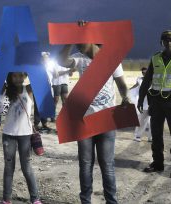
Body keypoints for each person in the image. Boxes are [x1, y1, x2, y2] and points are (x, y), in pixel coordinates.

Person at [57, 20, 130, 204]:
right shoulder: (79, 58)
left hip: (106, 119)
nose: (79, 44)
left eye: (81, 40)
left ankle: (111, 201)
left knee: (107, 166)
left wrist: (126, 97)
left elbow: (122, 85)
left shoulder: (111, 57)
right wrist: (70, 39)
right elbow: (61, 60)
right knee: (85, 165)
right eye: (77, 42)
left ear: (92, 38)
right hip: (85, 120)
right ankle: (85, 201)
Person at [138, 30, 171, 178]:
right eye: (165, 40)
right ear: (161, 42)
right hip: (156, 102)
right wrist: (141, 98)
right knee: (156, 134)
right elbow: (147, 80)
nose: (168, 42)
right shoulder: (155, 58)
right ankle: (158, 163)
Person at [0, 72, 42, 204]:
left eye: (20, 76)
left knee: (27, 167)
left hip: (25, 134)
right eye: (14, 76)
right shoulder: (5, 90)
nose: (18, 79)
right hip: (8, 134)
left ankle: (35, 198)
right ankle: (6, 199)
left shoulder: (29, 89)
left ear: (25, 76)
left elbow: (40, 77)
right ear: (10, 77)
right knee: (8, 167)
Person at [43, 52, 71, 122]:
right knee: (55, 100)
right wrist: (67, 71)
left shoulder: (66, 63)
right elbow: (56, 74)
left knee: (65, 100)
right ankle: (52, 116)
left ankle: (65, 116)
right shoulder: (53, 63)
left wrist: (70, 72)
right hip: (56, 83)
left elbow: (70, 74)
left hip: (64, 82)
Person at [129, 67, 152, 142]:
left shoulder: (154, 79)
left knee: (152, 121)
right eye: (143, 72)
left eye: (146, 72)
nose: (144, 73)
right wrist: (128, 90)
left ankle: (151, 137)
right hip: (144, 102)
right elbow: (136, 86)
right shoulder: (139, 79)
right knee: (142, 120)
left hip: (153, 103)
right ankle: (137, 136)